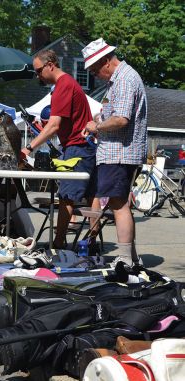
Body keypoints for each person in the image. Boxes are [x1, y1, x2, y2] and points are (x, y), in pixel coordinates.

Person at [21, 49, 100, 249]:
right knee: (92, 196)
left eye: (38, 71)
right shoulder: (69, 84)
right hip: (86, 147)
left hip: (77, 148)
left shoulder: (63, 85)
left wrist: (28, 148)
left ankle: (58, 245)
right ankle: (91, 243)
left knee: (66, 197)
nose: (38, 75)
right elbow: (60, 125)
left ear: (50, 65)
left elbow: (54, 125)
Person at [81, 38, 148, 268]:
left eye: (94, 69)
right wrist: (99, 120)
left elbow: (121, 119)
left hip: (120, 153)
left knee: (118, 204)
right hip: (117, 152)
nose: (94, 74)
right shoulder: (118, 80)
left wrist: (96, 126)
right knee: (121, 205)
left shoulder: (125, 80)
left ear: (106, 61)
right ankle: (132, 257)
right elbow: (113, 113)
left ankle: (125, 259)